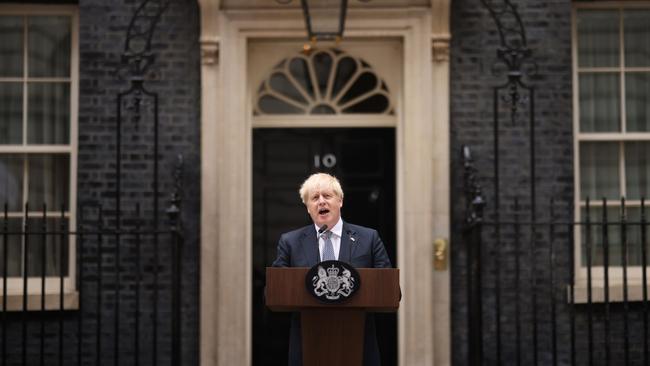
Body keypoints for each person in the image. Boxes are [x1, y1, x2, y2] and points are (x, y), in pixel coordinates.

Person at [272, 172, 392, 366]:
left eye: (327, 196)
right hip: (308, 346)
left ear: (340, 201)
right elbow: (273, 291)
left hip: (358, 345)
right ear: (308, 207)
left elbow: (389, 289)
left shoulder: (369, 238)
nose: (321, 202)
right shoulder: (290, 242)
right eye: (314, 198)